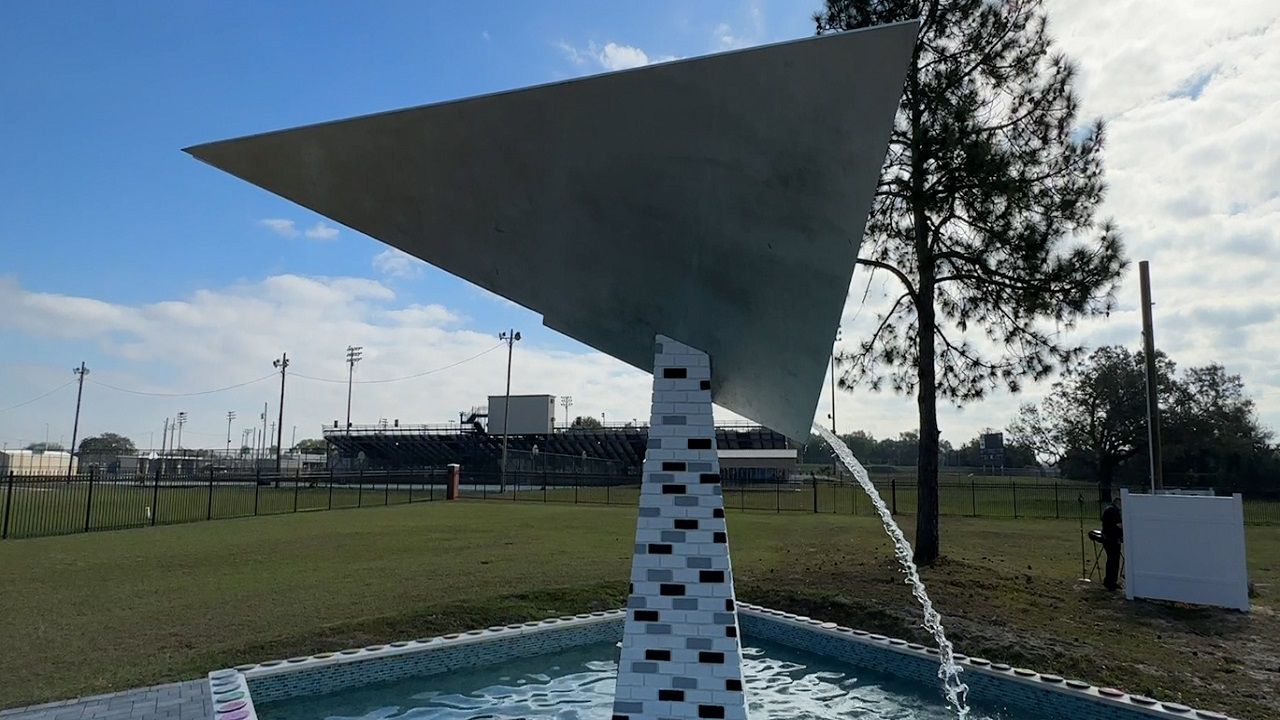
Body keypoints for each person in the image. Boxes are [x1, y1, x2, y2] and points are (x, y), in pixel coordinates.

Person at [1101, 495, 1124, 590]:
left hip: (1107, 538)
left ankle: (1109, 581)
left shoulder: (1108, 509)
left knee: (1111, 560)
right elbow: (1119, 525)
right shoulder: (1114, 512)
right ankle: (1111, 582)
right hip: (1113, 539)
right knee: (1114, 561)